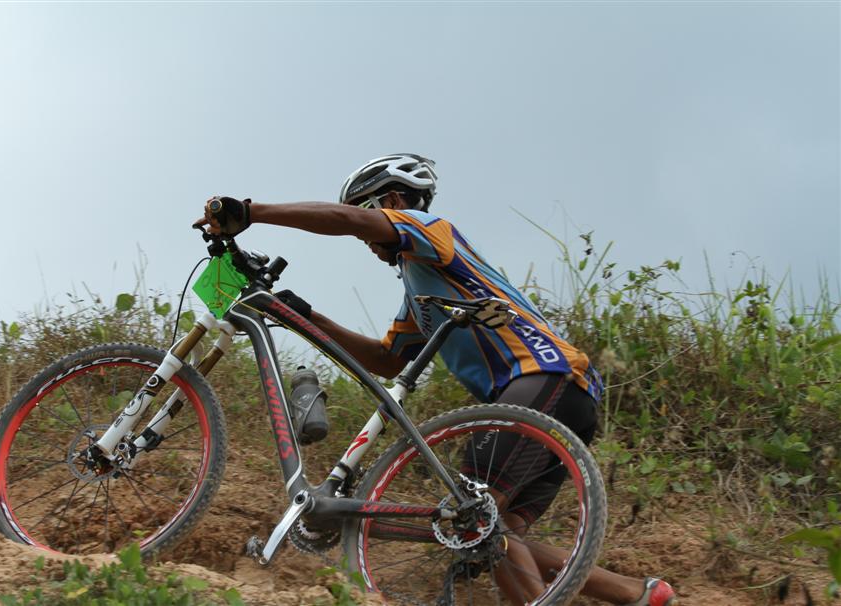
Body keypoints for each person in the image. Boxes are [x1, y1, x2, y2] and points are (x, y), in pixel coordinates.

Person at [196, 153, 677, 606]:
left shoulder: (430, 230)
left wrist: (252, 212)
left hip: (540, 377)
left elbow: (347, 221)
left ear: (392, 201)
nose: (364, 236)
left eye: (366, 211)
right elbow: (386, 359)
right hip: (561, 397)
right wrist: (309, 316)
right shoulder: (421, 290)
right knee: (495, 531)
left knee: (480, 525)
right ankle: (637, 593)